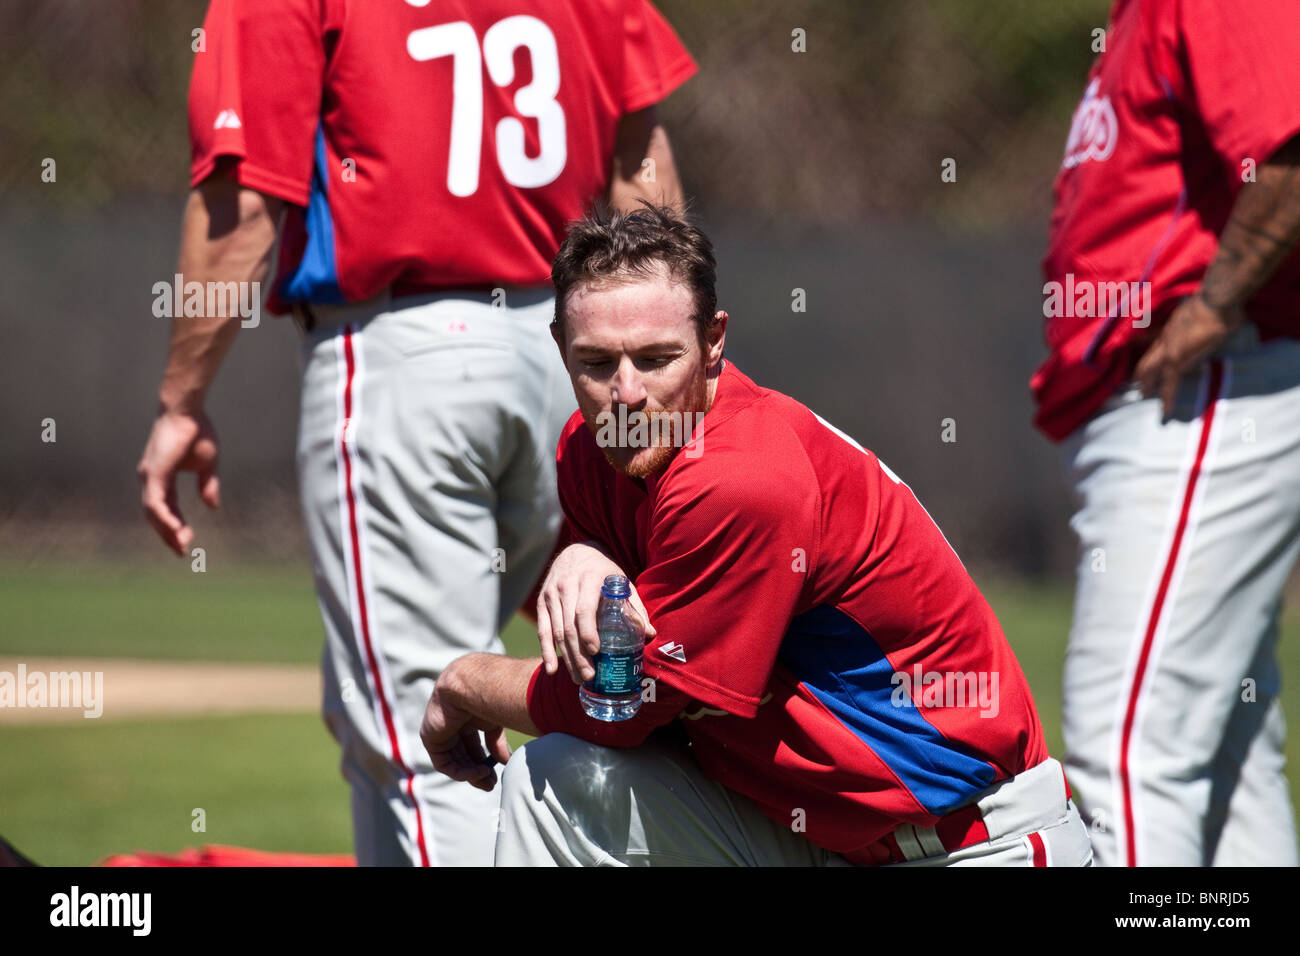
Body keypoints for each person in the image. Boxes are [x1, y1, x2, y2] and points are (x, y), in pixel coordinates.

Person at [135, 0, 696, 866]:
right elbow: (640, 164)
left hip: (406, 356)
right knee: (613, 688)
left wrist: (181, 400)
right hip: (569, 358)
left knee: (424, 726)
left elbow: (245, 201)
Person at [419, 203, 1093, 866]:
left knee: (578, 749)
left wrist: (465, 682)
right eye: (597, 363)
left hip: (969, 845)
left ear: (714, 342)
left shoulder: (740, 481)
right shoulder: (594, 450)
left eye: (657, 358)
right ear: (560, 347)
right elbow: (613, 683)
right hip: (806, 837)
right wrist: (588, 552)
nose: (625, 395)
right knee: (558, 780)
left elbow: (619, 707)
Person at [1031, 0, 1300, 866]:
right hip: (1190, 391)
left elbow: (1291, 144)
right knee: (1227, 762)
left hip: (1212, 386)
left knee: (1132, 755)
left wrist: (1217, 304)